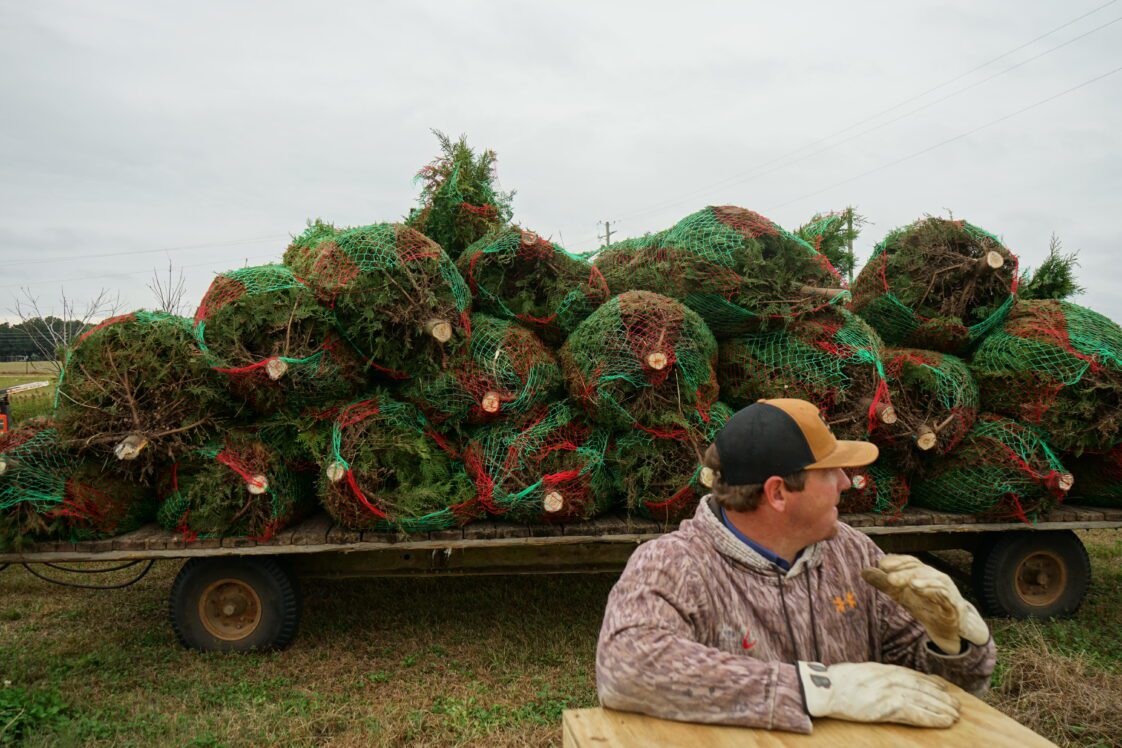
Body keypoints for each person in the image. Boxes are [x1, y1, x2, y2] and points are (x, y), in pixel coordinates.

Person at [596, 398, 996, 734]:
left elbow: (937, 696)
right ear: (778, 493)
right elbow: (627, 666)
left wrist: (953, 641)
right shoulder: (674, 564)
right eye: (829, 471)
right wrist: (814, 689)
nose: (845, 481)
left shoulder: (853, 553)